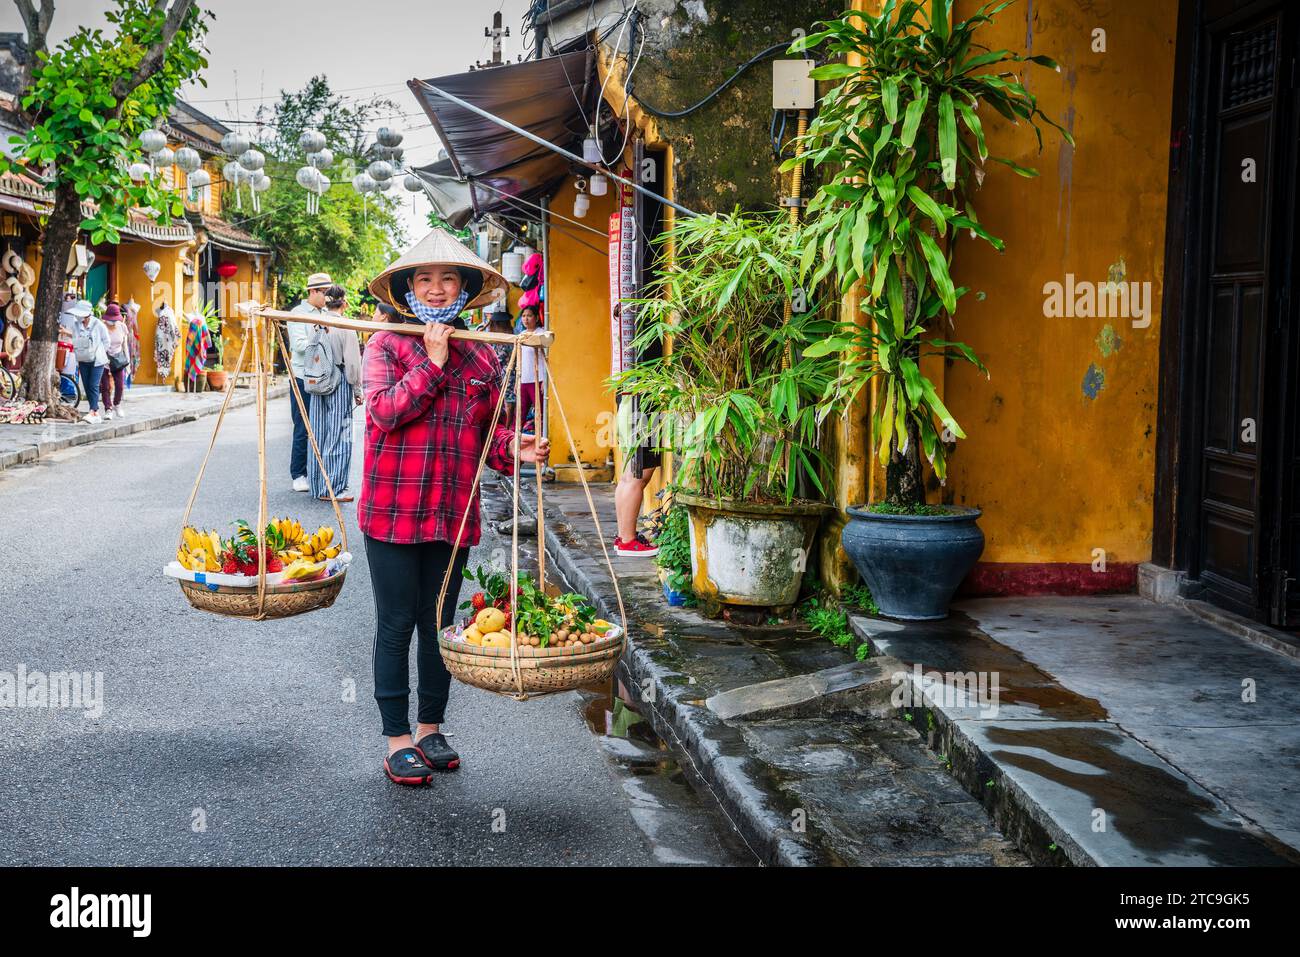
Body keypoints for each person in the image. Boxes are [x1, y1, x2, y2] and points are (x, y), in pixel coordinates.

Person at [361, 229, 550, 786]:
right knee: (397, 623)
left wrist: (517, 446)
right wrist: (433, 361)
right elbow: (386, 413)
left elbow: (491, 436)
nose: (438, 289)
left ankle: (429, 728)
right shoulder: (386, 345)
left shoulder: (485, 355)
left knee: (438, 622)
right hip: (394, 511)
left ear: (466, 288)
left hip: (453, 511)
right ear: (407, 287)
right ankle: (397, 738)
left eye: (449, 279)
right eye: (425, 279)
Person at [306, 284, 363, 502]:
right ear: (345, 303)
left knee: (319, 433)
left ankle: (318, 485)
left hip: (318, 381)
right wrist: (357, 389)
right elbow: (352, 363)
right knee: (340, 435)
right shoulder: (345, 325)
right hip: (338, 381)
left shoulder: (317, 324)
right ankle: (335, 488)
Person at [287, 273, 331, 491]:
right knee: (303, 426)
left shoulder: (326, 313)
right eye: (324, 293)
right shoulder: (298, 314)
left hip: (323, 377)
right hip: (302, 376)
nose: (327, 297)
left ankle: (315, 471)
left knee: (321, 426)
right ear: (313, 291)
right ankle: (298, 474)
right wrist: (324, 340)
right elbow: (299, 345)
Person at [612, 394, 662, 556]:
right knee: (636, 478)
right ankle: (628, 541)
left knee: (628, 477)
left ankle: (623, 537)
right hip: (642, 409)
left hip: (627, 405)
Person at [69, 300, 109, 425]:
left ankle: (93, 411)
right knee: (86, 385)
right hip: (82, 358)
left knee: (93, 384)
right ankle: (95, 413)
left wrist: (99, 351)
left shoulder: (98, 324)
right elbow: (75, 338)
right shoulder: (76, 325)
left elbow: (106, 341)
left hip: (97, 360)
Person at [515, 305, 545, 433]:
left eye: (529, 315)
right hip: (523, 380)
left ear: (537, 317)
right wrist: (517, 381)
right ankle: (516, 442)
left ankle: (541, 439)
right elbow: (519, 360)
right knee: (520, 414)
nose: (526, 319)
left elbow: (546, 358)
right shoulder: (521, 335)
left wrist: (545, 380)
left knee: (540, 413)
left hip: (538, 380)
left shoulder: (542, 334)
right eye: (523, 316)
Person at [99, 302, 130, 420]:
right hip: (104, 359)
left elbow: (125, 345)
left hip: (118, 360)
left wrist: (128, 364)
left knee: (120, 385)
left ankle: (117, 404)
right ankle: (108, 409)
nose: (112, 321)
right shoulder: (101, 326)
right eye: (110, 319)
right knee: (105, 386)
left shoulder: (122, 327)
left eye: (114, 319)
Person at [487, 312, 516, 426]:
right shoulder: (504, 337)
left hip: (507, 373)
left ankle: (506, 427)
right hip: (503, 373)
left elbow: (500, 358)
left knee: (507, 401)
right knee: (504, 401)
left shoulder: (507, 339)